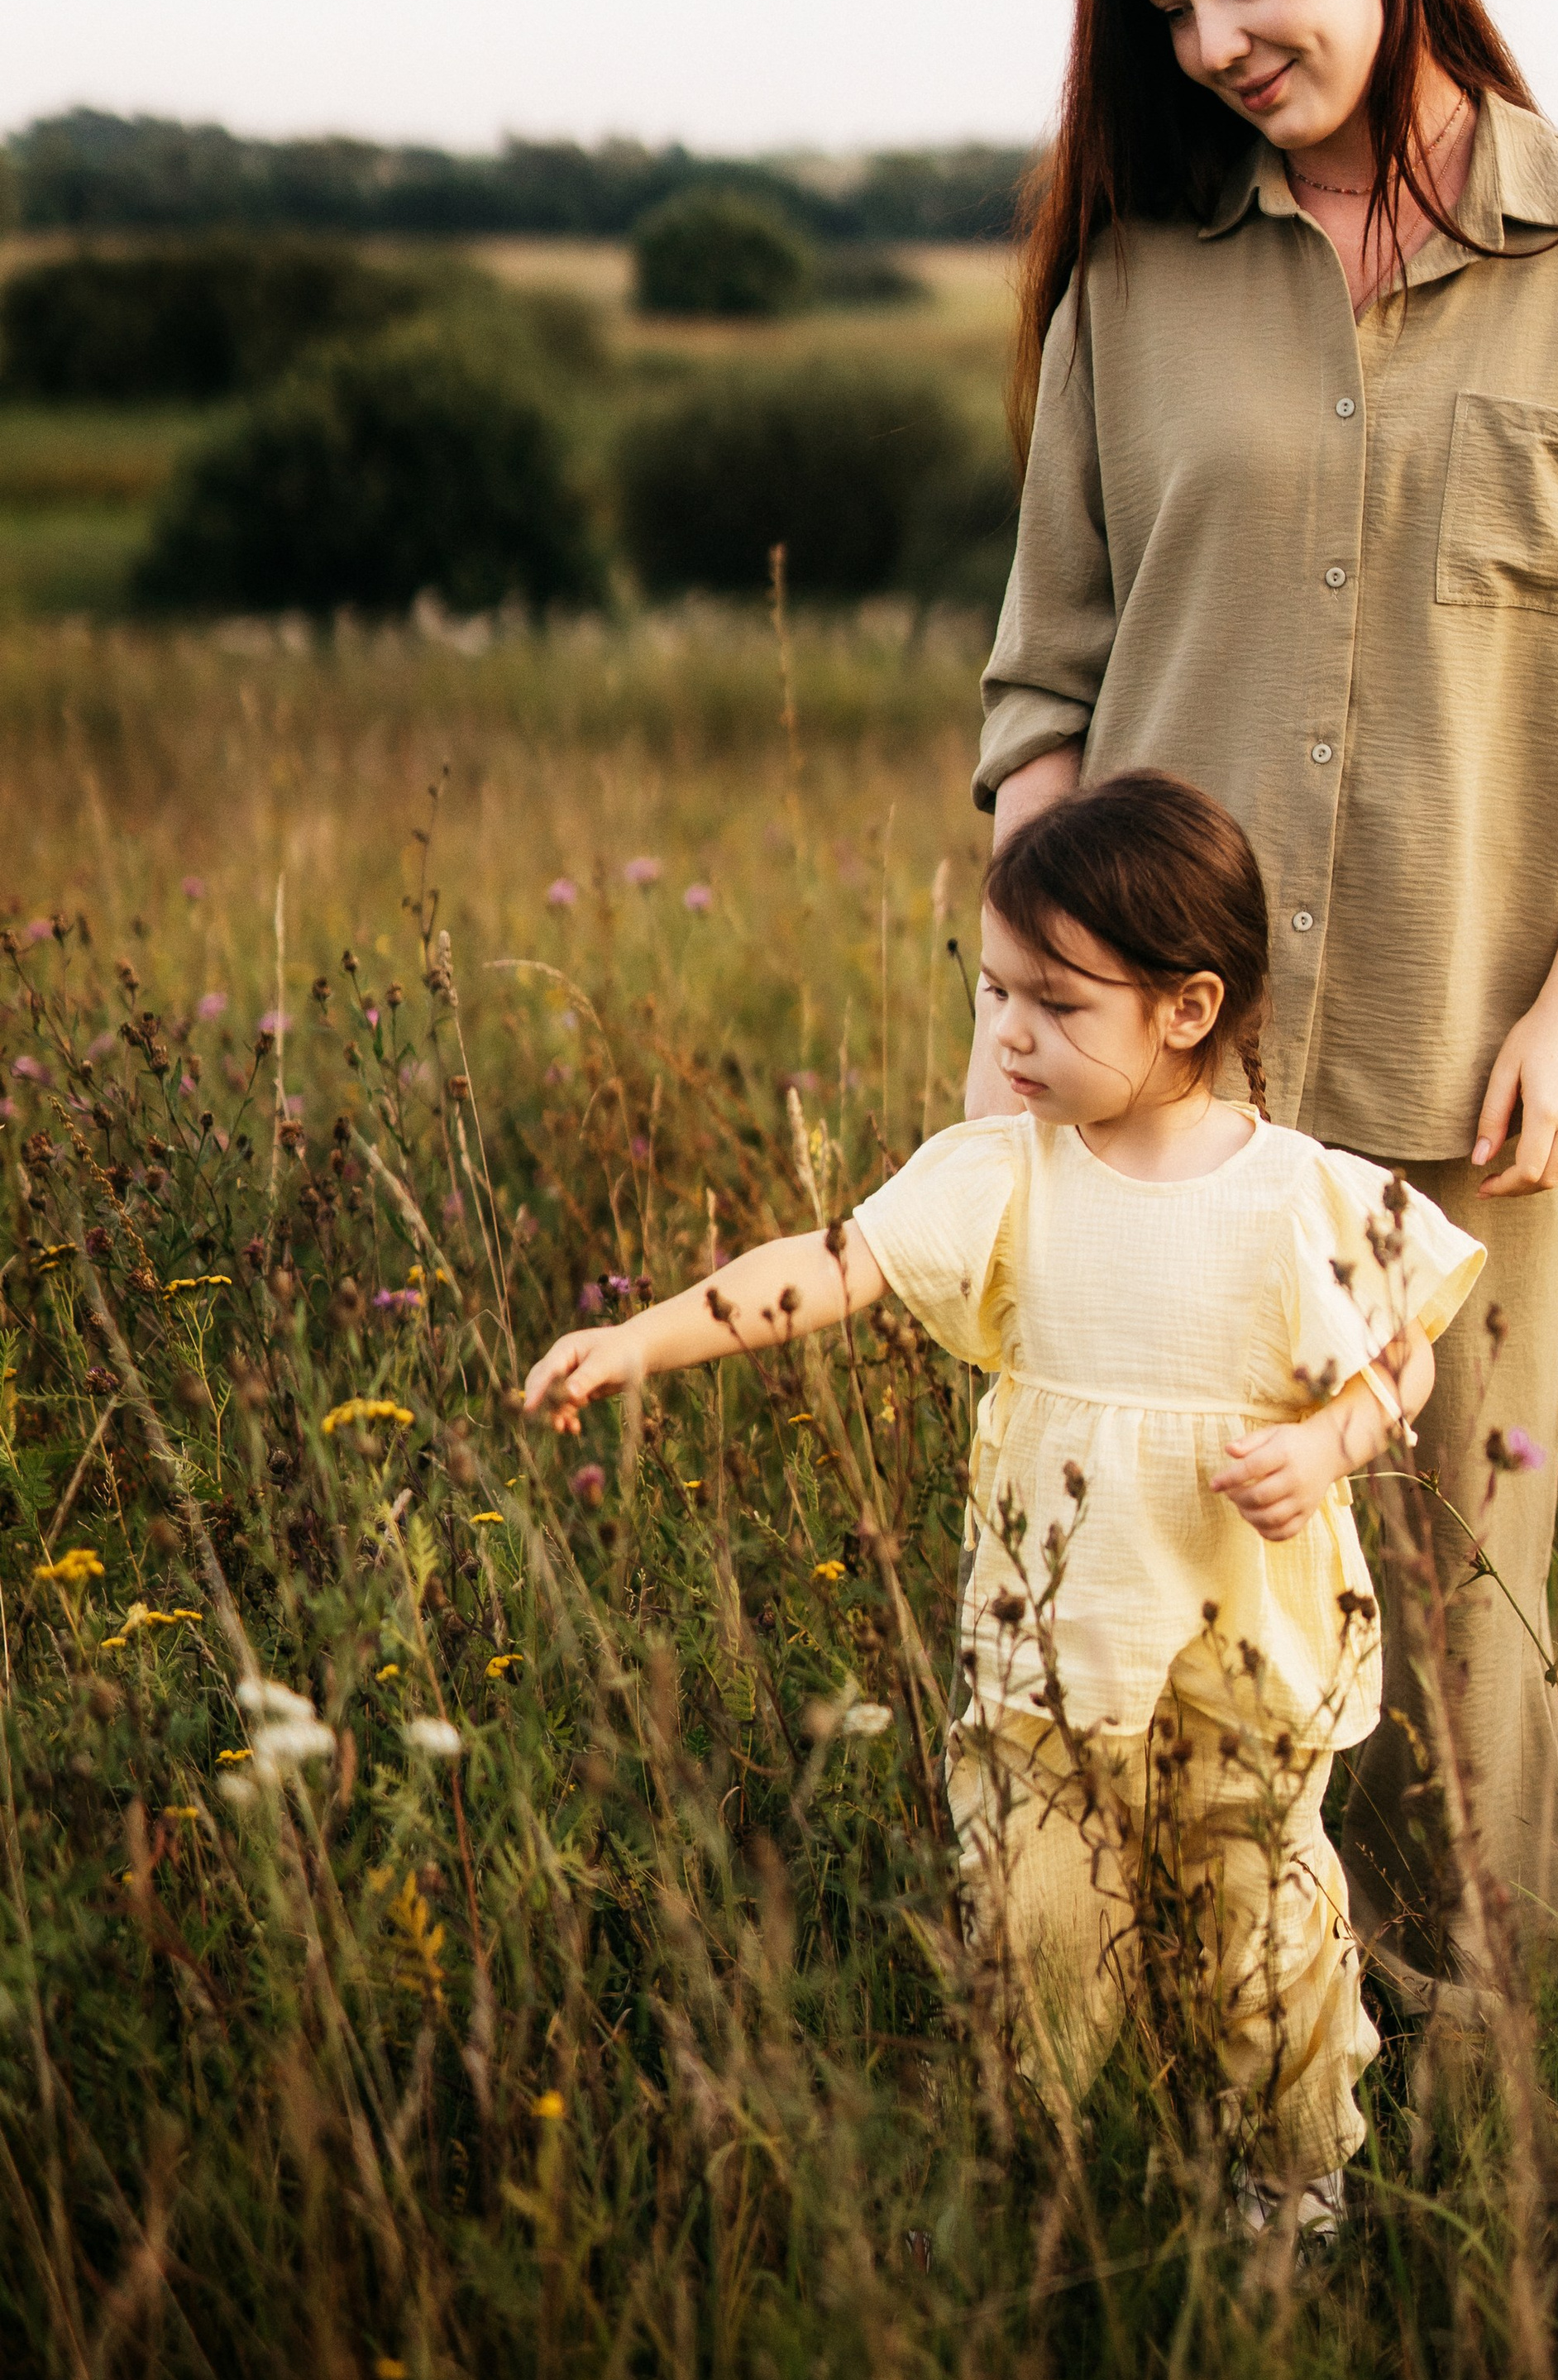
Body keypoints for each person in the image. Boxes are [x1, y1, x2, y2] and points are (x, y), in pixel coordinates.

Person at [966, 0, 1558, 1985]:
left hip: (1475, 1075)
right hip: (1165, 1098)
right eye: (1172, 17)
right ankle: (1196, 2090)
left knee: (1473, 1624)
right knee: (1156, 1603)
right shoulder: (1137, 282)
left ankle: (1482, 2117)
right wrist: (1036, 1021)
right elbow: (1046, 692)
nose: (1215, 48)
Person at [525, 772, 1484, 2226]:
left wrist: (1335, 1442)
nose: (1013, 1035)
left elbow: (1404, 1357)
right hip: (1056, 1651)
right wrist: (641, 1338)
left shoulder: (1304, 1191)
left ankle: (1291, 2185)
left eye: (1057, 1004)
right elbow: (829, 1265)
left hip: (1250, 1659)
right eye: (995, 996)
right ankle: (1034, 2173)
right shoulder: (1005, 1176)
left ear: (1188, 1007)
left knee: (1260, 1924)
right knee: (1037, 1920)